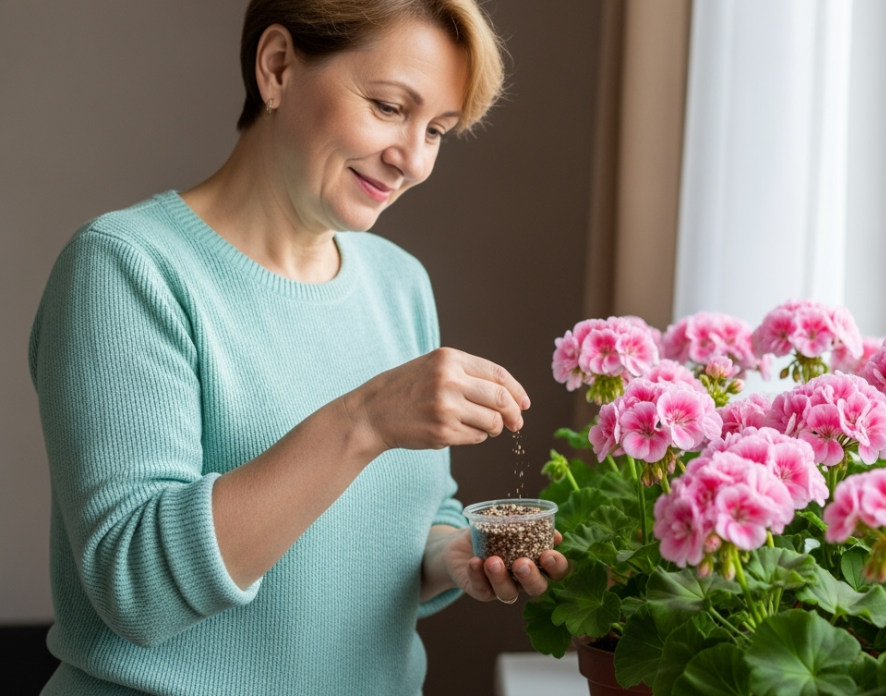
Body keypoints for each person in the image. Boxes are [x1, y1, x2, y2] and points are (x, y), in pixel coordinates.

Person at [27, 1, 568, 693]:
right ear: (277, 67)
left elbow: (417, 510)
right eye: (387, 106)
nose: (414, 159)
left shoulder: (399, 284)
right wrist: (363, 421)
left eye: (437, 129)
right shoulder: (127, 269)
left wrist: (452, 555)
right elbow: (136, 586)